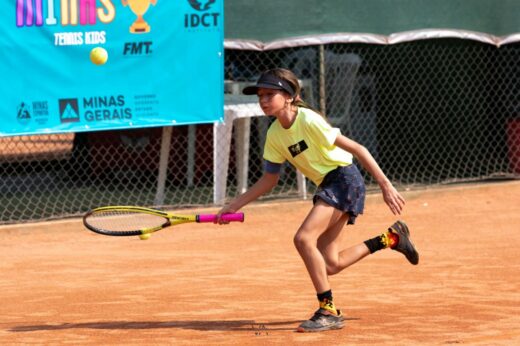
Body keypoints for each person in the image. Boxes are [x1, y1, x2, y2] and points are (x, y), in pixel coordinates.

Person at [216, 68, 419, 333]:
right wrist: (234, 205)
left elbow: (358, 149)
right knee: (331, 264)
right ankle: (391, 238)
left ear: (289, 96)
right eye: (260, 96)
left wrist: (385, 185)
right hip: (329, 184)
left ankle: (328, 310)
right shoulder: (275, 135)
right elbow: (269, 180)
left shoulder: (309, 120)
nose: (263, 100)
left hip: (344, 179)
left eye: (269, 94)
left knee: (303, 239)